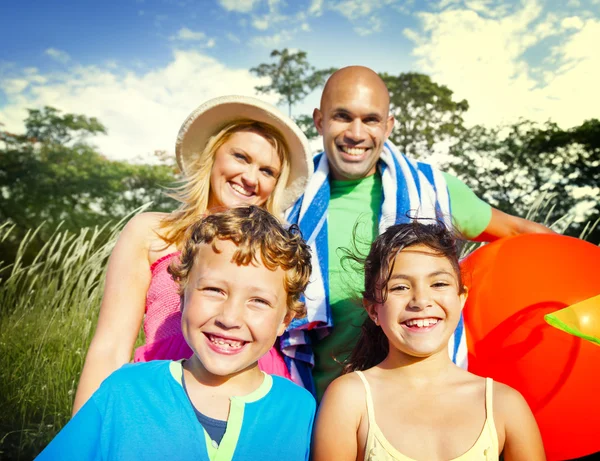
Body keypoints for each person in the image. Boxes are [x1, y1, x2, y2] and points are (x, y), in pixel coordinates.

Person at [282, 66, 555, 397]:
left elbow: (520, 232)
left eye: (370, 119)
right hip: (320, 401)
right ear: (320, 121)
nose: (356, 133)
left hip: (422, 404)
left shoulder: (433, 189)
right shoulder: (289, 195)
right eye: (342, 117)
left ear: (388, 125)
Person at [73, 96, 312, 414]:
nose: (251, 178)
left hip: (254, 397)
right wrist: (85, 435)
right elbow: (110, 346)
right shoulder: (153, 232)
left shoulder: (277, 252)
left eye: (267, 171)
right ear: (213, 156)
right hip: (163, 394)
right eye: (241, 157)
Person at [37, 206, 316, 461]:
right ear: (182, 295)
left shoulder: (300, 411)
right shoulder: (125, 390)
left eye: (258, 301)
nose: (229, 318)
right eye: (214, 290)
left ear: (285, 320)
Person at [312, 221, 546, 461]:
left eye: (439, 284)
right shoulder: (350, 398)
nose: (421, 301)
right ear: (373, 311)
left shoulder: (504, 404)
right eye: (400, 287)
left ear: (461, 297)